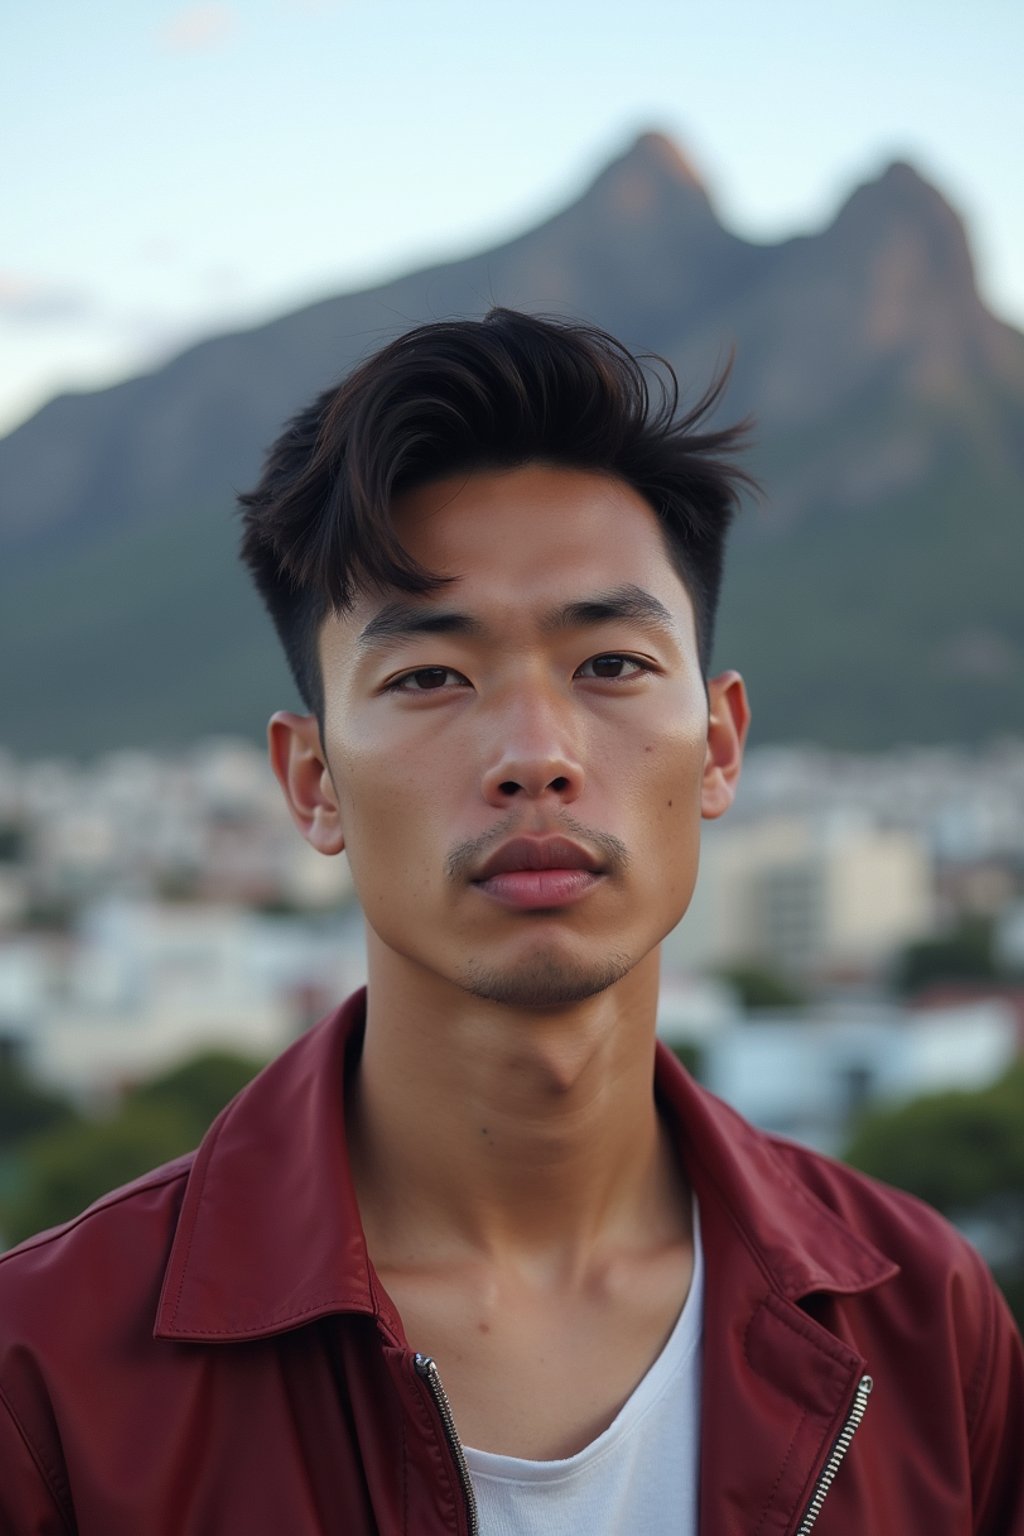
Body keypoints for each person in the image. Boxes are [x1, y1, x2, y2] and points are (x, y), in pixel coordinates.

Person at [0, 310, 1021, 1535]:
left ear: (719, 743)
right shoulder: (46, 1375)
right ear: (311, 782)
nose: (535, 755)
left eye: (611, 665)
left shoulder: (921, 1320)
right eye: (429, 677)